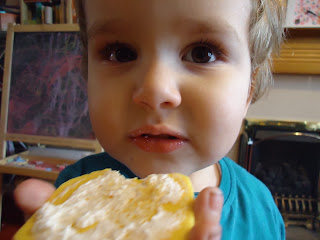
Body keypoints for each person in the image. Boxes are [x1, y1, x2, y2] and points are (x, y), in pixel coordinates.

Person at [14, 0, 287, 239]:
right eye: (120, 53)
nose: (155, 90)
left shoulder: (260, 209)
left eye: (202, 53)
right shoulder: (74, 196)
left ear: (249, 88)